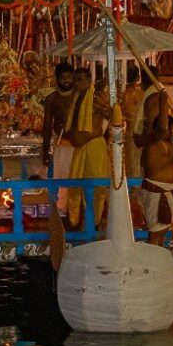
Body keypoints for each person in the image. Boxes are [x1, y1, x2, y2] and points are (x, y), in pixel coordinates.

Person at [65, 66, 110, 230]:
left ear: (88, 81)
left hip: (94, 147)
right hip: (80, 149)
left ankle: (94, 223)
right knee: (76, 186)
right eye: (74, 80)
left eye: (80, 80)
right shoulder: (76, 98)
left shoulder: (96, 97)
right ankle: (75, 222)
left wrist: (95, 133)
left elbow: (112, 115)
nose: (76, 84)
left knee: (97, 186)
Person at [138, 112, 173, 238]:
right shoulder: (152, 145)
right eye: (169, 129)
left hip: (171, 191)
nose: (171, 132)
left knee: (164, 232)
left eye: (172, 130)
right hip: (157, 192)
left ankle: (160, 254)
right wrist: (163, 98)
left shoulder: (170, 146)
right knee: (155, 233)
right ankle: (153, 256)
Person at [40, 61, 77, 211]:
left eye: (69, 77)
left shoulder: (79, 96)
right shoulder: (52, 99)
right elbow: (47, 126)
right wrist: (45, 150)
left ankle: (77, 212)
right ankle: (63, 210)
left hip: (79, 144)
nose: (66, 81)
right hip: (62, 145)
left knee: (78, 179)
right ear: (56, 79)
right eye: (63, 77)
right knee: (62, 179)